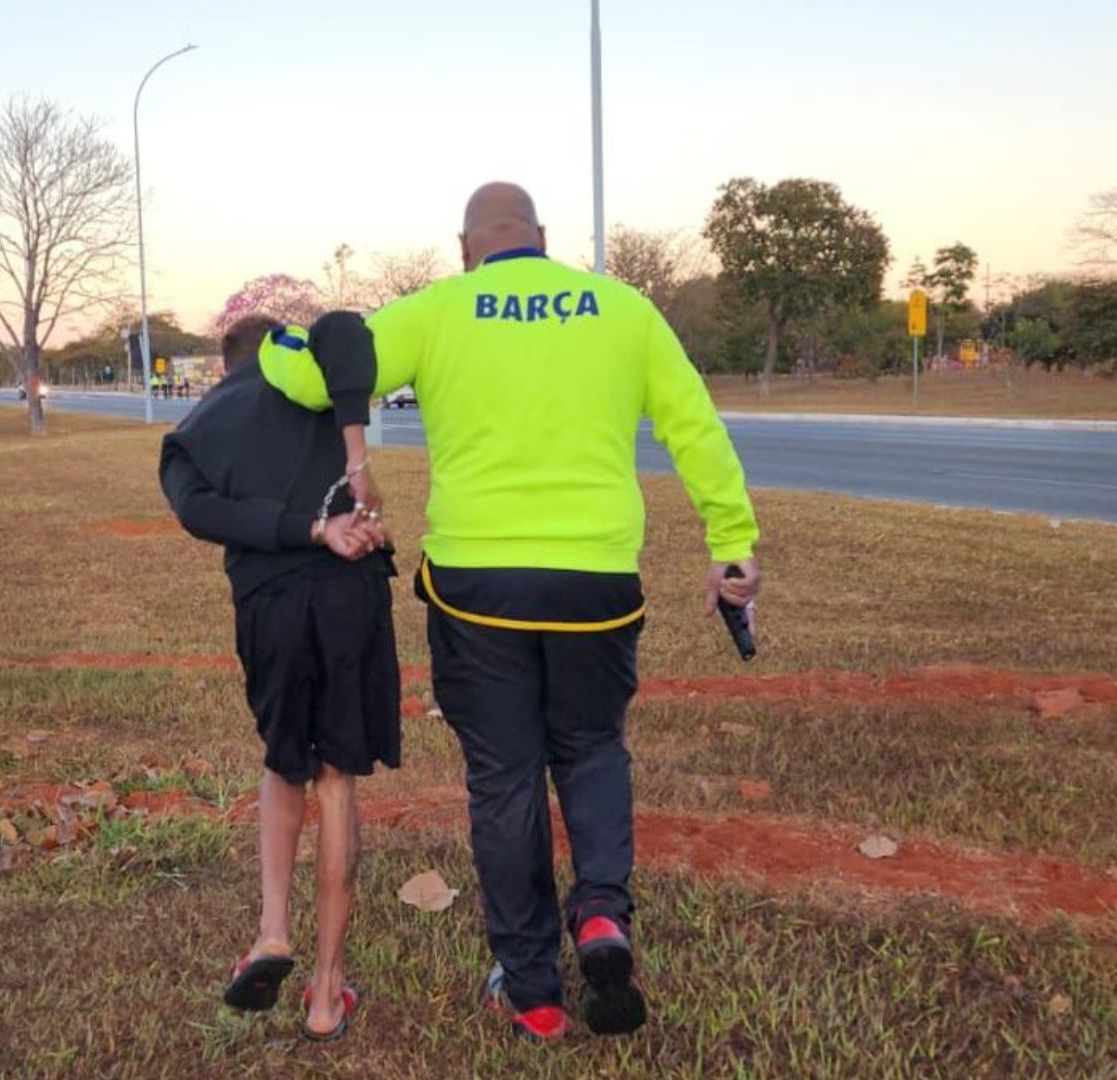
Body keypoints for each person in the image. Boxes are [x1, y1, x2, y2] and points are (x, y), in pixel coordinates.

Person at [260, 183, 762, 1041]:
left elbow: (317, 374)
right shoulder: (623, 308)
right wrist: (732, 540)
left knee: (503, 780)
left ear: (465, 248)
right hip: (596, 585)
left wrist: (273, 344)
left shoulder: (440, 309)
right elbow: (696, 428)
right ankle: (602, 914)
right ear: (544, 237)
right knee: (594, 749)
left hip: (477, 588)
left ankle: (531, 988)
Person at [159, 312, 399, 1042]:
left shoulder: (198, 423)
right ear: (275, 349)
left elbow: (196, 509)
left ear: (225, 363)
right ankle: (326, 995)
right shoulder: (318, 380)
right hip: (347, 594)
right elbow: (345, 327)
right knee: (337, 783)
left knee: (283, 765)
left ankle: (272, 931)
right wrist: (348, 480)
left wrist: (298, 527)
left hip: (270, 607)